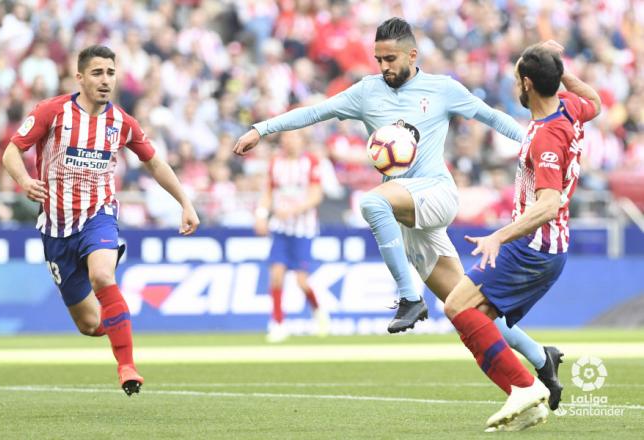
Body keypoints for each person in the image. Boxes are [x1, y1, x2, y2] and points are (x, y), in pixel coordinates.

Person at [234, 17, 562, 402]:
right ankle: (543, 358)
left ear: (412, 54)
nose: (384, 66)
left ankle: (409, 298)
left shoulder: (441, 89)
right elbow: (314, 112)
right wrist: (262, 128)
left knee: (372, 201)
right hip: (406, 215)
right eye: (378, 59)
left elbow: (490, 116)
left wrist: (535, 145)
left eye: (390, 58)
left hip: (436, 194)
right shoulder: (366, 92)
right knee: (466, 306)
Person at [2, 45, 200, 396]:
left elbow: (154, 163)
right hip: (56, 228)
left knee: (102, 274)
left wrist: (185, 201)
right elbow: (12, 151)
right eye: (97, 73)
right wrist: (23, 181)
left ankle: (127, 366)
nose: (105, 80)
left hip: (99, 216)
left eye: (110, 72)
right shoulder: (52, 112)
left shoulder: (122, 122)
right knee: (91, 324)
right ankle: (118, 316)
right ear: (79, 77)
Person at [443, 40, 601, 431]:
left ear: (528, 84)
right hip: (548, 244)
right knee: (475, 318)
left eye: (518, 77)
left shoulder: (548, 134)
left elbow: (547, 204)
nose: (515, 82)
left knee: (456, 306)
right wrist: (556, 66)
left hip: (533, 245)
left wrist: (499, 235)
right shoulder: (570, 106)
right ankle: (531, 384)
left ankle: (525, 387)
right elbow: (594, 100)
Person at [254, 130, 330, 343]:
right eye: (286, 137)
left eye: (294, 137)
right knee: (276, 274)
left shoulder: (311, 162)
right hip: (280, 228)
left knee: (301, 280)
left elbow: (316, 195)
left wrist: (294, 210)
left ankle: (318, 311)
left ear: (302, 141)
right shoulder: (275, 163)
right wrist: (261, 215)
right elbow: (268, 193)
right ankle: (278, 323)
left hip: (303, 229)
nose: (290, 141)